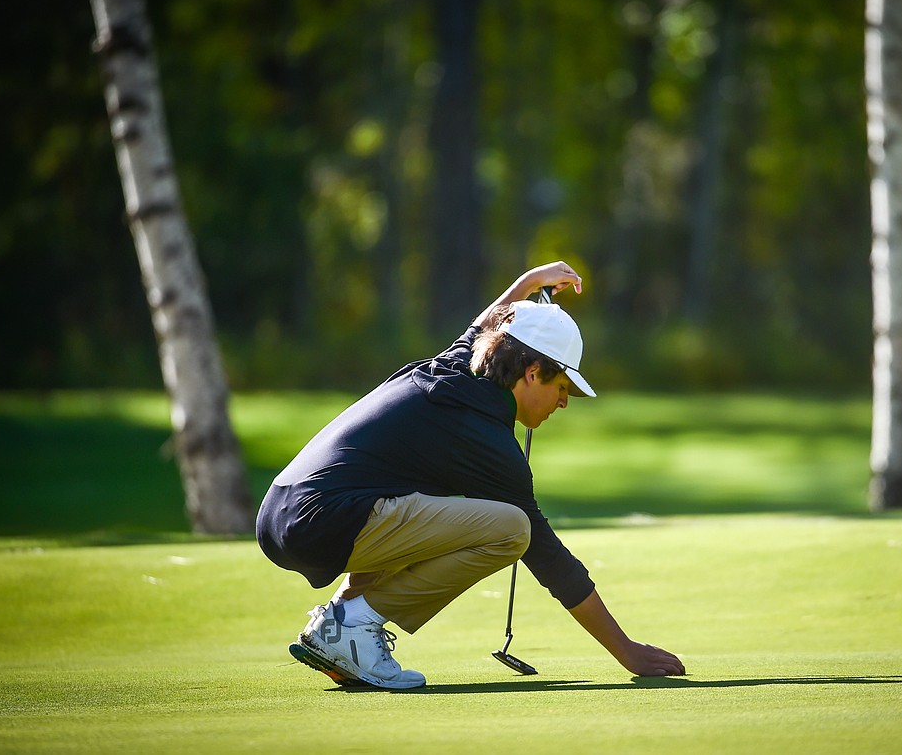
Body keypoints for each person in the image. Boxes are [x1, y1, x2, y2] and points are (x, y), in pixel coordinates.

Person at [256, 261, 685, 689]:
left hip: (283, 511)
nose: (564, 402)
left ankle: (336, 628)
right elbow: (548, 556)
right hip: (322, 521)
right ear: (532, 373)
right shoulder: (483, 435)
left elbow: (487, 323)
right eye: (562, 388)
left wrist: (530, 282)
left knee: (416, 503)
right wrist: (626, 650)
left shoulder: (467, 362)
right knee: (513, 529)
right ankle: (354, 625)